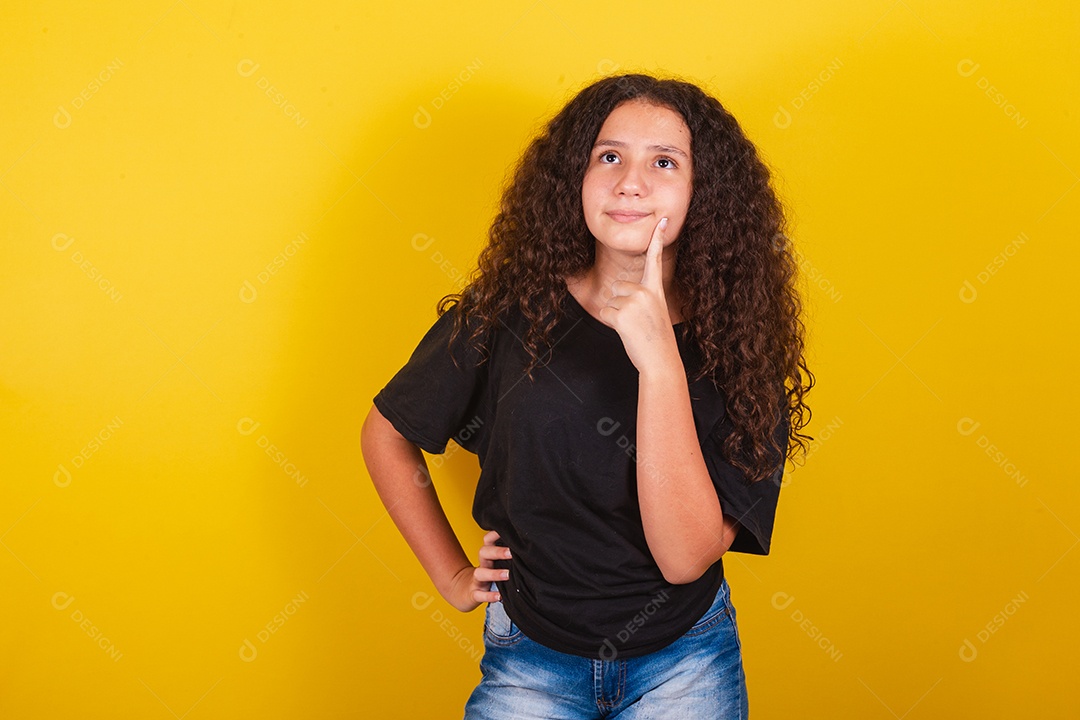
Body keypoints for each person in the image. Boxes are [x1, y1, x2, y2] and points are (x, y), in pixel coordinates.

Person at [360, 72, 814, 719]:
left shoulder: (743, 344)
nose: (631, 181)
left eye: (664, 162)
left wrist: (659, 364)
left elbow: (683, 560)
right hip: (529, 657)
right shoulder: (507, 311)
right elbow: (388, 432)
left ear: (704, 192)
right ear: (575, 175)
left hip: (685, 663)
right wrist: (452, 575)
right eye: (609, 156)